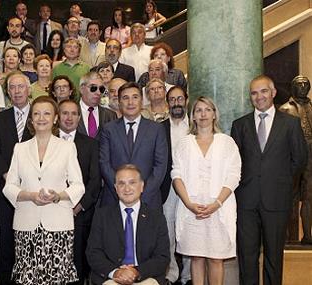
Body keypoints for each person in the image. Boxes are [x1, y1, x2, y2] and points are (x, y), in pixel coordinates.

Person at [231, 75, 308, 285]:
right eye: (254, 93)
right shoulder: (240, 125)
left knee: (274, 257)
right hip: (246, 202)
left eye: (264, 91)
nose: (259, 97)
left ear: (273, 93)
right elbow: (234, 164)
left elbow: (299, 159)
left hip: (277, 200)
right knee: (247, 258)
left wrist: (281, 183)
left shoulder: (291, 124)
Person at [3, 96, 85, 285]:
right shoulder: (20, 148)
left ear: (55, 118)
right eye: (37, 113)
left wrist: (58, 196)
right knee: (28, 278)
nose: (41, 118)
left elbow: (78, 185)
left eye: (47, 113)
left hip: (58, 224)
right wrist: (30, 196)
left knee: (58, 278)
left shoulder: (67, 147)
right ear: (30, 118)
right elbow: (9, 187)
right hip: (26, 224)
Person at [172, 96, 241, 285]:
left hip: (219, 210)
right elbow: (176, 175)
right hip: (191, 210)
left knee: (216, 258)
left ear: (214, 115)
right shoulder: (184, 143)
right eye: (198, 110)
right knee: (196, 257)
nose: (203, 114)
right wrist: (188, 203)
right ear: (192, 116)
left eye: (207, 109)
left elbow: (234, 176)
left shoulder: (227, 142)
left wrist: (217, 203)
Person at [86, 164, 170, 285]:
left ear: (142, 186)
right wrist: (115, 272)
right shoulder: (102, 216)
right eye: (121, 183)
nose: (127, 188)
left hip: (145, 277)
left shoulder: (156, 218)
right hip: (112, 278)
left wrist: (136, 272)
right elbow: (93, 253)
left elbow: (162, 257)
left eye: (132, 183)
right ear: (115, 188)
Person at [0, 71, 33, 285]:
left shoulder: (39, 115)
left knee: (30, 236)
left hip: (33, 188)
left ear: (29, 89)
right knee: (7, 237)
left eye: (20, 87)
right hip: (7, 188)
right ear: (7, 92)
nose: (17, 91)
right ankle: (6, 279)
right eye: (12, 88)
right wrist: (7, 175)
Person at [100, 82, 168, 208]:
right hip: (115, 200)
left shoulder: (156, 129)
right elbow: (104, 164)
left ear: (141, 101)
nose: (130, 102)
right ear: (120, 103)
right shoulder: (108, 129)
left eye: (135, 97)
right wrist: (122, 193)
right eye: (125, 98)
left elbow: (160, 166)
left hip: (148, 200)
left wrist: (141, 196)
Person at [58, 99, 101, 285]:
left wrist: (78, 207)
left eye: (74, 114)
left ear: (79, 117)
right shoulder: (47, 142)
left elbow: (94, 181)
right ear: (57, 117)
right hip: (51, 212)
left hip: (80, 214)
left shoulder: (90, 144)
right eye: (65, 113)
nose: (69, 118)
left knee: (77, 263)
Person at [160, 86, 191, 285]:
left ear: (186, 101)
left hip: (191, 187)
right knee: (168, 231)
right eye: (172, 100)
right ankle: (171, 274)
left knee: (189, 230)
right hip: (167, 187)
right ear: (167, 103)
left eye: (180, 99)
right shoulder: (159, 127)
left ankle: (188, 275)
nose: (176, 103)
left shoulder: (195, 127)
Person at [279, 75, 312, 244]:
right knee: (289, 196)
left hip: (310, 159)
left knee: (308, 197)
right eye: (299, 85)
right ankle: (289, 237)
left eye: (306, 84)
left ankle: (307, 236)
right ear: (292, 87)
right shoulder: (285, 109)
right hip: (291, 157)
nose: (303, 87)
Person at [77, 72, 117, 139]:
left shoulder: (110, 115)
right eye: (93, 88)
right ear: (82, 89)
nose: (98, 93)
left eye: (101, 89)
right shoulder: (69, 112)